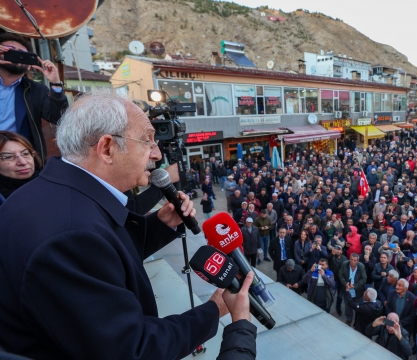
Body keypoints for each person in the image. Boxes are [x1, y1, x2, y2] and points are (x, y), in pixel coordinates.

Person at [0, 90, 256, 359]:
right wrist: (213, 310)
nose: (156, 154)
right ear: (107, 148)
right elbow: (132, 349)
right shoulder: (70, 236)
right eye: (147, 140)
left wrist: (162, 224)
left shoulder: (55, 195)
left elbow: (104, 258)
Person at [0, 33, 69, 161]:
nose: (16, 56)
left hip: (20, 161)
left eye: (22, 54)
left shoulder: (36, 90)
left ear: (30, 64)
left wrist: (55, 83)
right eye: (9, 50)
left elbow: (59, 118)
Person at [0, 131, 42, 204]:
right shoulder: (4, 202)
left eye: (25, 153)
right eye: (8, 157)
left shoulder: (53, 180)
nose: (23, 162)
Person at [339, 254, 367, 326]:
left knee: (358, 307)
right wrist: (345, 284)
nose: (352, 262)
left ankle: (357, 321)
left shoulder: (361, 266)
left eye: (355, 260)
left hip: (358, 291)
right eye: (351, 259)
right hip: (347, 290)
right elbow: (340, 275)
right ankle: (349, 319)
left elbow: (364, 278)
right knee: (348, 307)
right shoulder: (344, 264)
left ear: (358, 261)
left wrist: (355, 286)